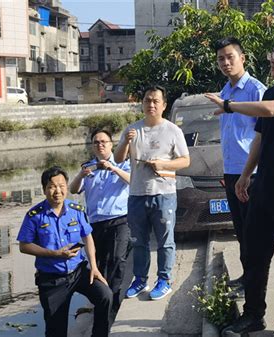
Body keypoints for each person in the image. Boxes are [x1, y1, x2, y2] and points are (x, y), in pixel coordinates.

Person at [207, 33, 274, 337]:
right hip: (263, 186)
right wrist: (245, 174)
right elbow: (260, 137)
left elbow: (270, 111)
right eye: (273, 52)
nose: (273, 58)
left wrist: (229, 106)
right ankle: (253, 315)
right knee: (254, 255)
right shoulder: (271, 92)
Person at [114, 85, 190, 301]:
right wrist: (126, 142)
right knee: (139, 241)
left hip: (164, 194)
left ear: (164, 105)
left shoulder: (173, 130)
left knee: (165, 240)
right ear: (142, 104)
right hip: (137, 194)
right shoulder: (132, 129)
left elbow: (185, 161)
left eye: (156, 101)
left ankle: (164, 280)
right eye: (147, 100)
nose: (151, 104)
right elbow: (118, 159)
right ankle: (139, 280)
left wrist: (162, 164)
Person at [17, 166, 112, 337]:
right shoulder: (35, 215)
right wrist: (54, 254)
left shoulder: (76, 210)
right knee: (56, 329)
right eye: (52, 186)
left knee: (105, 295)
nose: (57, 191)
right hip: (52, 279)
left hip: (78, 272)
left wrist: (94, 267)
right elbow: (24, 246)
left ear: (67, 187)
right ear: (44, 189)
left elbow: (87, 237)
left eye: (61, 186)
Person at [213, 37, 267, 289]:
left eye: (230, 57)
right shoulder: (224, 91)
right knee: (241, 232)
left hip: (252, 174)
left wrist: (247, 174)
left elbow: (262, 135)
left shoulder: (256, 90)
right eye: (221, 59)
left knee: (255, 234)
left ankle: (256, 285)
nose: (225, 63)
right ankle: (248, 279)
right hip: (231, 172)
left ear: (242, 58)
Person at [69, 129, 131, 326]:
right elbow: (73, 189)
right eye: (96, 142)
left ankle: (112, 302)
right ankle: (102, 299)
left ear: (111, 144)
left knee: (117, 259)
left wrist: (113, 168)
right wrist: (81, 174)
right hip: (95, 224)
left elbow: (132, 181)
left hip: (119, 220)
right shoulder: (88, 168)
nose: (100, 145)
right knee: (99, 263)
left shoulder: (123, 163)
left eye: (104, 142)